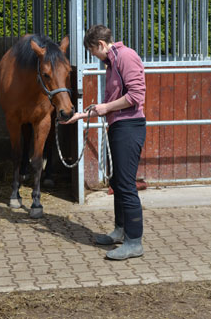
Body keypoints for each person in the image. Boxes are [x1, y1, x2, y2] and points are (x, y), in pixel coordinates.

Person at [62, 24, 146, 260]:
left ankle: (134, 242)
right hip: (118, 125)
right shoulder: (112, 62)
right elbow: (111, 102)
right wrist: (80, 116)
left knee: (127, 185)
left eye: (92, 52)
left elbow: (136, 96)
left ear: (100, 44)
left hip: (129, 127)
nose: (94, 57)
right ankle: (121, 230)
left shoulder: (126, 57)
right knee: (117, 181)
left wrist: (106, 107)